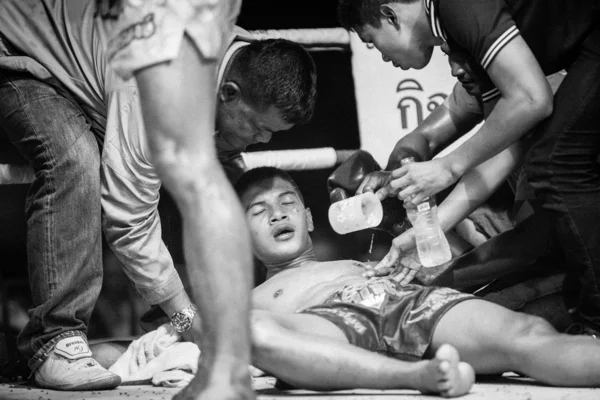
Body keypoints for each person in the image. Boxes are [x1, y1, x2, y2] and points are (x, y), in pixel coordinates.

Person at [0, 0, 316, 395]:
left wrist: (253, 195)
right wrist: (184, 315)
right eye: (258, 127)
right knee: (76, 160)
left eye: (273, 133)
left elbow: (212, 168)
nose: (264, 140)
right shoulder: (159, 84)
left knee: (197, 181)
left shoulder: (242, 59)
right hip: (21, 55)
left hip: (100, 74)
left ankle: (168, 318)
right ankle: (54, 342)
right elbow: (128, 219)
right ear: (228, 94)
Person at [337, 0, 600, 336]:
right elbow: (501, 152)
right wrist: (424, 227)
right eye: (447, 51)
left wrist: (447, 169)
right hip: (549, 251)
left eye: (371, 41)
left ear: (389, 14)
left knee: (555, 163)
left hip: (553, 252)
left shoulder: (455, 7)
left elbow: (534, 101)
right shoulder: (478, 66)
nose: (453, 68)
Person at [238, 167, 600, 392]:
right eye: (259, 210)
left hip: (402, 300)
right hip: (325, 325)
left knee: (529, 334)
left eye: (287, 203)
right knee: (252, 330)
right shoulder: (248, 299)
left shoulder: (356, 261)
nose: (276, 215)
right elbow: (192, 327)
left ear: (310, 218)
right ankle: (410, 375)